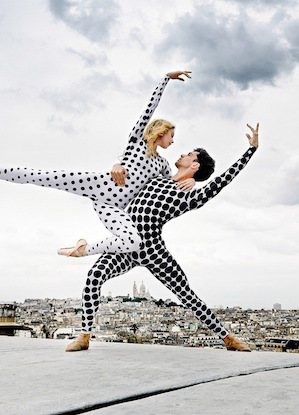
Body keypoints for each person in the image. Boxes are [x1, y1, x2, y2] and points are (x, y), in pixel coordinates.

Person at [0, 71, 195, 257]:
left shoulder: (162, 166)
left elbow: (170, 184)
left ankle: (84, 249)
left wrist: (192, 180)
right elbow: (148, 109)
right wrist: (165, 79)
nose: (173, 142)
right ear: (160, 132)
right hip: (100, 185)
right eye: (171, 136)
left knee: (134, 242)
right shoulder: (138, 142)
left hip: (114, 208)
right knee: (40, 176)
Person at [65, 122, 260, 352]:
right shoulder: (159, 175)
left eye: (188, 154)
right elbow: (136, 155)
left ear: (195, 164)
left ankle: (227, 339)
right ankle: (85, 335)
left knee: (186, 294)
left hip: (152, 248)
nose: (182, 153)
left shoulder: (188, 196)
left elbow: (220, 182)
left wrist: (251, 150)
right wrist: (117, 163)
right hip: (127, 243)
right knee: (94, 276)